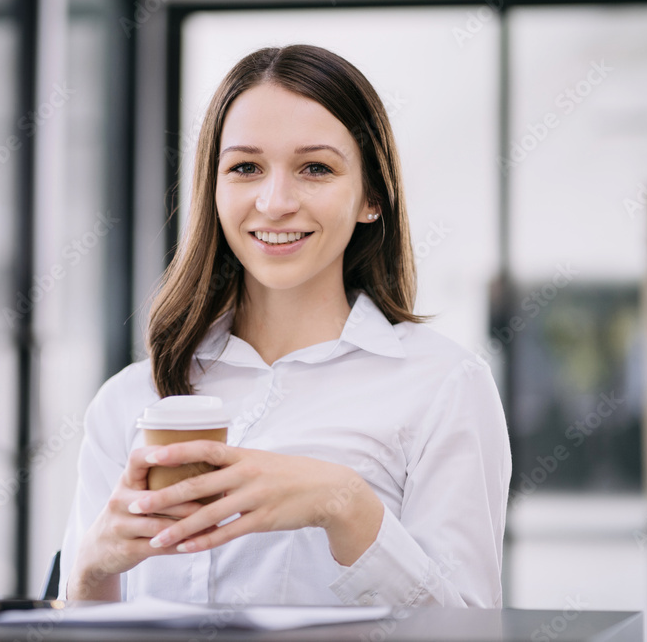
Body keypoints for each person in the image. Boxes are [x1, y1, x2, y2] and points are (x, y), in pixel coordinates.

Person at [58, 44, 512, 608]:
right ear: (214, 188)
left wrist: (345, 504)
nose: (275, 203)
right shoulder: (132, 398)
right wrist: (88, 573)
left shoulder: (444, 386)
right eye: (245, 168)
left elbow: (467, 630)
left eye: (315, 168)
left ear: (372, 196)